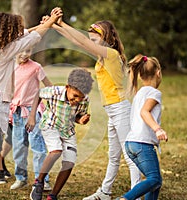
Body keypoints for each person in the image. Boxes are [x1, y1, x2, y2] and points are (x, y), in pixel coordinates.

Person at [0, 9, 62, 200]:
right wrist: (51, 20)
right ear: (7, 32)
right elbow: (33, 37)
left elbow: (28, 33)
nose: (19, 32)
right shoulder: (7, 50)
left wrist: (46, 23)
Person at [51, 13, 141, 200]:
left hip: (120, 109)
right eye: (90, 35)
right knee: (114, 156)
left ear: (106, 38)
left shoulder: (111, 54)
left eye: (95, 36)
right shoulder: (103, 57)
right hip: (112, 110)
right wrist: (55, 26)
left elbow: (82, 40)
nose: (90, 38)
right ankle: (105, 192)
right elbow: (79, 42)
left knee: (129, 155)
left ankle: (135, 194)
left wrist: (63, 23)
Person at [27, 68, 94, 200]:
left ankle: (53, 195)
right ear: (67, 87)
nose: (77, 100)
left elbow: (76, 116)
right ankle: (39, 182)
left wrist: (81, 120)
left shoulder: (84, 100)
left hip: (67, 130)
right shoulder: (55, 91)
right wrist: (32, 116)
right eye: (75, 96)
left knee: (69, 162)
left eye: (80, 97)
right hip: (50, 125)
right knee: (56, 151)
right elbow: (39, 94)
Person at [116, 55, 168, 200]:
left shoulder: (140, 93)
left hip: (131, 143)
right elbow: (144, 112)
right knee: (154, 179)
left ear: (140, 75)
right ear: (158, 72)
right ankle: (125, 198)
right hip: (142, 144)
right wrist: (158, 129)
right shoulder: (154, 93)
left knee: (155, 182)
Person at [9, 48, 53, 191]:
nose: (25, 54)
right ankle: (21, 178)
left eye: (28, 50)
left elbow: (49, 87)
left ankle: (42, 180)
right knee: (19, 147)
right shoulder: (10, 67)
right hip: (16, 112)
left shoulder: (36, 67)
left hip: (33, 111)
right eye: (21, 50)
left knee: (38, 146)